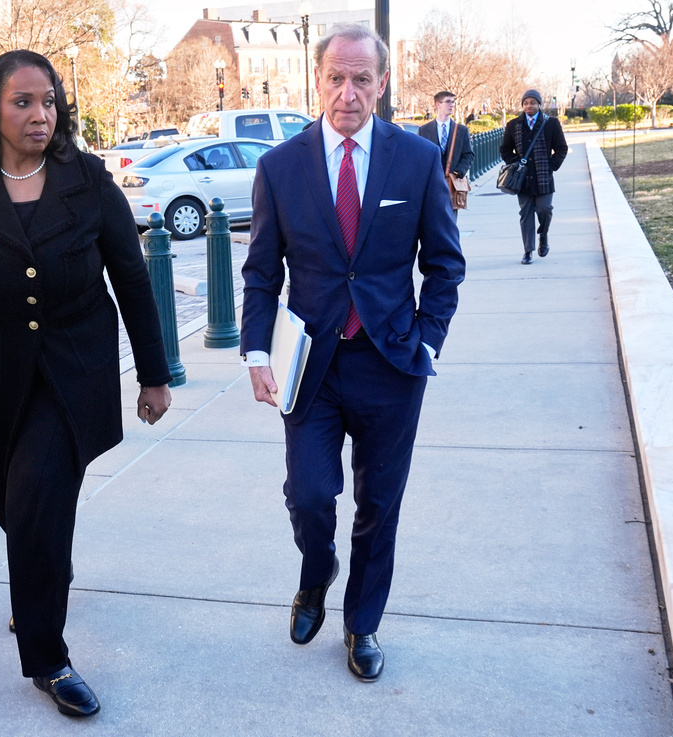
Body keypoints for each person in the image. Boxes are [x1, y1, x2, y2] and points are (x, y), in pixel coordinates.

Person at [0, 50, 172, 718]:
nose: (40, 114)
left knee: (41, 497)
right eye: (23, 102)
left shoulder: (87, 178)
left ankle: (48, 657)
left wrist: (154, 372)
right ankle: (44, 566)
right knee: (8, 497)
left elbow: (131, 278)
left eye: (48, 101)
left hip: (71, 372)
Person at [240, 25, 465, 682]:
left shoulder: (416, 160)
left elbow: (445, 264)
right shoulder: (279, 168)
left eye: (361, 78)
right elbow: (260, 273)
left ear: (382, 84)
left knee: (379, 503)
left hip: (393, 362)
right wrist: (257, 350)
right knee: (309, 494)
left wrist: (426, 340)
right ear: (318, 81)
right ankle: (316, 571)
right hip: (309, 363)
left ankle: (361, 622)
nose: (347, 92)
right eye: (335, 78)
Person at [499, 88, 568, 264]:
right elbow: (505, 149)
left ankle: (543, 235)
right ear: (523, 105)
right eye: (526, 103)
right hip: (522, 179)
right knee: (526, 213)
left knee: (545, 209)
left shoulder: (551, 123)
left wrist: (551, 166)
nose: (529, 105)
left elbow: (561, 148)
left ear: (539, 104)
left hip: (544, 177)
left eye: (532, 102)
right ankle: (528, 250)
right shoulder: (513, 125)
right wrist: (516, 162)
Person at [418, 90, 474, 220]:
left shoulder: (461, 130)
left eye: (453, 102)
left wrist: (459, 172)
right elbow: (418, 156)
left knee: (451, 220)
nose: (452, 105)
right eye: (448, 102)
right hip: (431, 183)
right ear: (438, 104)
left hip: (452, 184)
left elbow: (468, 154)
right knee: (432, 220)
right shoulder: (424, 130)